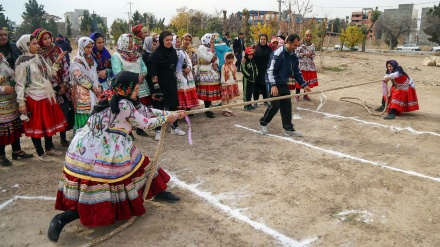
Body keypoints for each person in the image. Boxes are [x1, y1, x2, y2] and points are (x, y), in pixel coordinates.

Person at [48, 71, 185, 243]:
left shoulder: (119, 96)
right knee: (97, 186)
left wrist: (172, 113)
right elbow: (144, 123)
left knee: (142, 164)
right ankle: (61, 219)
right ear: (126, 88)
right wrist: (169, 118)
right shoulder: (122, 104)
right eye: (135, 88)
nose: (137, 90)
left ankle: (158, 192)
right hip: (98, 150)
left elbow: (146, 111)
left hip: (106, 143)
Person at [15, 34, 68, 161]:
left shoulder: (39, 58)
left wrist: (57, 61)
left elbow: (50, 73)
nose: (37, 45)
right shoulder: (21, 63)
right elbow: (20, 84)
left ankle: (49, 148)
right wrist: (21, 103)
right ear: (25, 46)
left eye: (36, 43)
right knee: (37, 126)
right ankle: (40, 153)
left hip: (46, 96)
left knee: (48, 123)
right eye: (34, 44)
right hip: (34, 97)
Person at [259, 34, 310, 137]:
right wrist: (273, 85)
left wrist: (304, 84)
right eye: (295, 45)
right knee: (275, 106)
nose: (296, 47)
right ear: (289, 43)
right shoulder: (278, 54)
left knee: (287, 105)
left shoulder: (293, 55)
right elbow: (270, 71)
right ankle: (263, 123)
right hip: (273, 83)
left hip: (283, 83)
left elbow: (296, 72)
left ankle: (288, 128)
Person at [33, 28, 73, 147]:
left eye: (49, 38)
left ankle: (63, 138)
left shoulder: (57, 49)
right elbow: (45, 74)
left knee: (66, 110)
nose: (48, 41)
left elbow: (65, 65)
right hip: (50, 88)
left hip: (63, 84)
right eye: (44, 39)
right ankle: (49, 144)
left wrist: (65, 84)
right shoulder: (38, 55)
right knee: (53, 114)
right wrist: (57, 88)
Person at [148, 31, 186, 140]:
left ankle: (174, 127)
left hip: (170, 81)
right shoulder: (156, 55)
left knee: (173, 103)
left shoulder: (173, 52)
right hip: (159, 83)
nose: (169, 42)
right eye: (166, 40)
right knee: (158, 106)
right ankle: (158, 130)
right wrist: (156, 85)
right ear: (161, 41)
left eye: (170, 40)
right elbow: (153, 71)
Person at [112, 34, 151, 137]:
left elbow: (143, 66)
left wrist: (143, 74)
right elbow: (118, 72)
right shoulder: (116, 56)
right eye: (129, 42)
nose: (131, 44)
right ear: (123, 43)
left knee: (139, 106)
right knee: (128, 107)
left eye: (132, 42)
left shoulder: (136, 54)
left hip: (140, 84)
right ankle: (128, 131)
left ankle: (139, 128)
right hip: (127, 87)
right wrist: (133, 79)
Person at [0, 53, 33, 166]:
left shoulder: (2, 59)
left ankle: (16, 150)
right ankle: (1, 156)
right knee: (2, 130)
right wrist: (3, 88)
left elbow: (12, 75)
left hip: (11, 101)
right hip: (1, 104)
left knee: (14, 125)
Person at [70, 37, 102, 131]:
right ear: (81, 47)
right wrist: (93, 88)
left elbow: (94, 75)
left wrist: (98, 86)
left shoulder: (91, 59)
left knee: (94, 115)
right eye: (87, 47)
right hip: (82, 93)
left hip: (93, 91)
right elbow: (79, 77)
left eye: (91, 47)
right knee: (84, 115)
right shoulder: (76, 61)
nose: (90, 49)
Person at [196, 33, 221, 118]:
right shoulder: (201, 48)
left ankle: (208, 107)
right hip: (204, 73)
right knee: (206, 92)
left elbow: (216, 58)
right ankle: (207, 109)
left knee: (210, 92)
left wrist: (216, 64)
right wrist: (211, 50)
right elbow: (207, 58)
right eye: (211, 39)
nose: (213, 41)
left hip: (212, 73)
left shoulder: (211, 47)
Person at [173, 35, 199, 111]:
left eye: (179, 42)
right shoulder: (171, 52)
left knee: (187, 90)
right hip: (178, 75)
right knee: (180, 91)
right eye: (177, 42)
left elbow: (189, 61)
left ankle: (188, 108)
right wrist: (181, 69)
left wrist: (189, 68)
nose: (179, 43)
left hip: (187, 74)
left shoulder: (182, 51)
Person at [294, 30, 316, 101]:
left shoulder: (312, 45)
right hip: (301, 66)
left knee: (307, 81)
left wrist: (311, 56)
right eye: (307, 36)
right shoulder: (300, 44)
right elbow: (296, 54)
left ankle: (305, 95)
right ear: (304, 36)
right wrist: (304, 54)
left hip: (309, 66)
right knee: (299, 80)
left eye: (310, 36)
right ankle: (297, 95)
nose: (308, 37)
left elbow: (314, 54)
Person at [253, 34, 271, 108]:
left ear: (266, 40)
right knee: (256, 87)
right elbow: (249, 55)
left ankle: (266, 101)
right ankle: (255, 102)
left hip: (265, 70)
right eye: (261, 39)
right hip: (257, 70)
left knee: (265, 86)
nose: (262, 41)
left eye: (264, 39)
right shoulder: (255, 48)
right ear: (259, 40)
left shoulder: (269, 49)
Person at [220, 52, 240, 117]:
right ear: (226, 59)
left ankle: (229, 110)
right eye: (229, 59)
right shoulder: (223, 66)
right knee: (225, 98)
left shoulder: (233, 66)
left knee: (231, 98)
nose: (230, 60)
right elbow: (222, 75)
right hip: (226, 84)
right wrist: (223, 84)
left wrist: (236, 81)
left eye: (231, 59)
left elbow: (235, 74)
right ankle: (224, 110)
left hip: (232, 83)